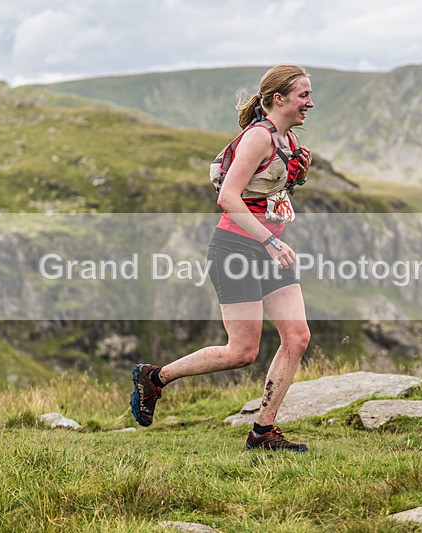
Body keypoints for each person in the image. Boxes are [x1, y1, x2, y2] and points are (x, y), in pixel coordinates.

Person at [131, 64, 314, 452]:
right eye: (303, 96)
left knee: (296, 338)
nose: (310, 103)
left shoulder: (288, 139)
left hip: (268, 250)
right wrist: (269, 241)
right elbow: (228, 196)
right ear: (278, 99)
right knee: (241, 352)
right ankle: (155, 377)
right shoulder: (258, 137)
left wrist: (295, 178)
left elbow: (263, 193)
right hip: (237, 250)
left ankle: (263, 432)